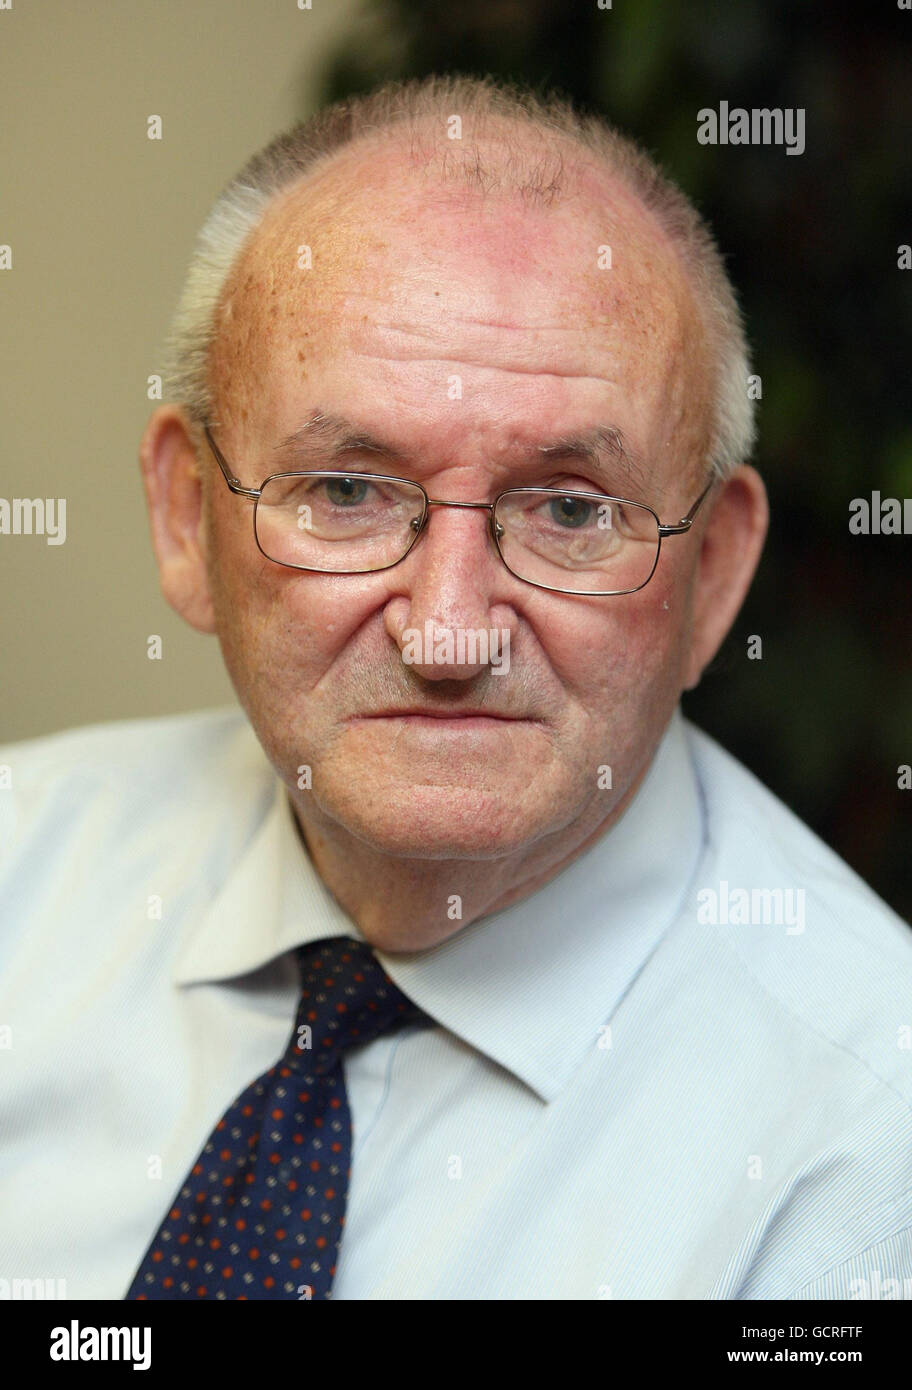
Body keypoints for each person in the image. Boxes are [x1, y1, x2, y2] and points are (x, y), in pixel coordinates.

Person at [2, 74, 910, 1303]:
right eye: (346, 492)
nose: (447, 631)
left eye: (572, 510)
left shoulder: (865, 1166)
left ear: (716, 576)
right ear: (185, 518)